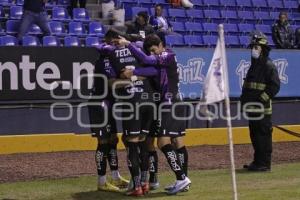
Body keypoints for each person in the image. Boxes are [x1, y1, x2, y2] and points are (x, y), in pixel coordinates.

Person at [118, 34, 191, 195]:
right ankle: (182, 179)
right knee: (176, 140)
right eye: (150, 51)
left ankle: (181, 178)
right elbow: (151, 70)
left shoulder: (167, 55)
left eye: (154, 50)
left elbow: (147, 61)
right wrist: (133, 72)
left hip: (170, 103)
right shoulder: (162, 62)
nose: (153, 54)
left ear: (161, 45)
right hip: (175, 102)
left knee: (162, 142)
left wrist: (129, 44)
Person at [88, 32, 129, 192]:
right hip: (100, 104)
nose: (119, 44)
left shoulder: (111, 58)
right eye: (116, 41)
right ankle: (101, 181)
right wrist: (133, 79)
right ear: (111, 41)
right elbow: (112, 84)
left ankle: (115, 176)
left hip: (109, 103)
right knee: (103, 142)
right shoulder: (105, 60)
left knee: (113, 139)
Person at [241, 31, 280, 172]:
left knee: (263, 137)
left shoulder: (269, 66)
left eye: (256, 47)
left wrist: (260, 100)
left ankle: (264, 164)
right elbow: (249, 87)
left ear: (262, 49)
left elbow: (274, 86)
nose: (253, 50)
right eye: (253, 47)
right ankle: (257, 162)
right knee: (255, 137)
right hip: (253, 110)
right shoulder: (255, 65)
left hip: (262, 110)